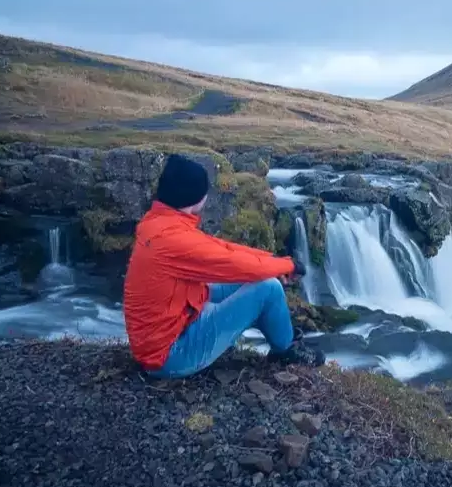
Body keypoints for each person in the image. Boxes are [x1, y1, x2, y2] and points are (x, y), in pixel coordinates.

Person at [122, 153, 324, 378]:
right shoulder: (172, 239)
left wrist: (274, 261)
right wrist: (286, 265)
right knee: (269, 288)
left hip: (171, 329)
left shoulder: (157, 223)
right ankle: (285, 352)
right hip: (170, 357)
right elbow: (238, 265)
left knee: (259, 280)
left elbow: (223, 248)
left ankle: (281, 339)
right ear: (195, 197)